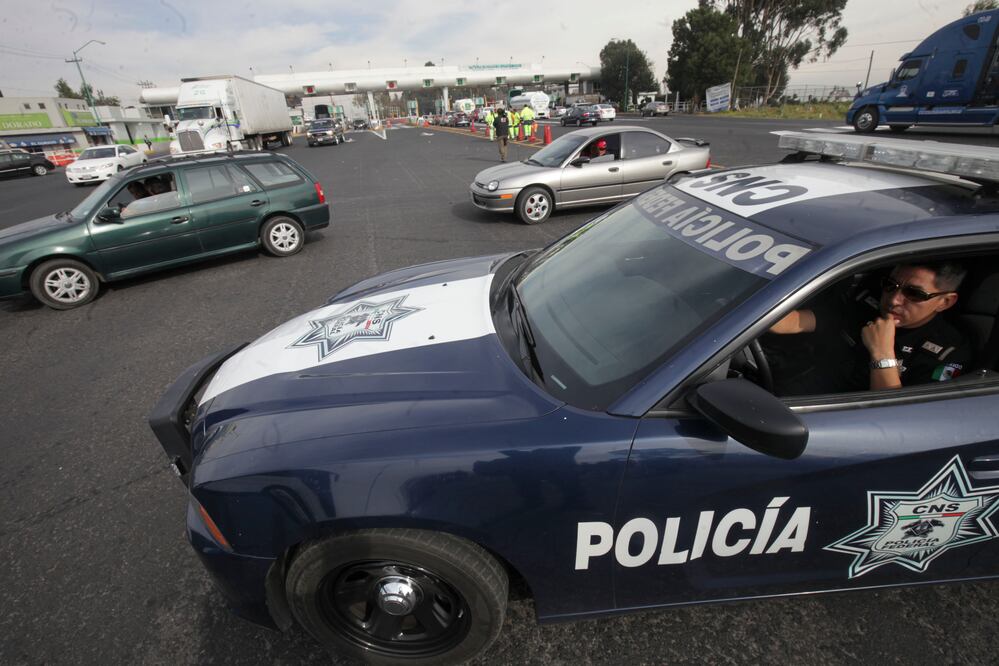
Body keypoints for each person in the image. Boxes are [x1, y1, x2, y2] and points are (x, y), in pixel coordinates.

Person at [767, 262, 970, 394]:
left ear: (945, 302)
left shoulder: (947, 353)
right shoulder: (863, 307)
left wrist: (882, 353)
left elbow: (893, 416)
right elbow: (791, 322)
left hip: (840, 425)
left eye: (914, 294)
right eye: (890, 285)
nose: (894, 300)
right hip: (792, 394)